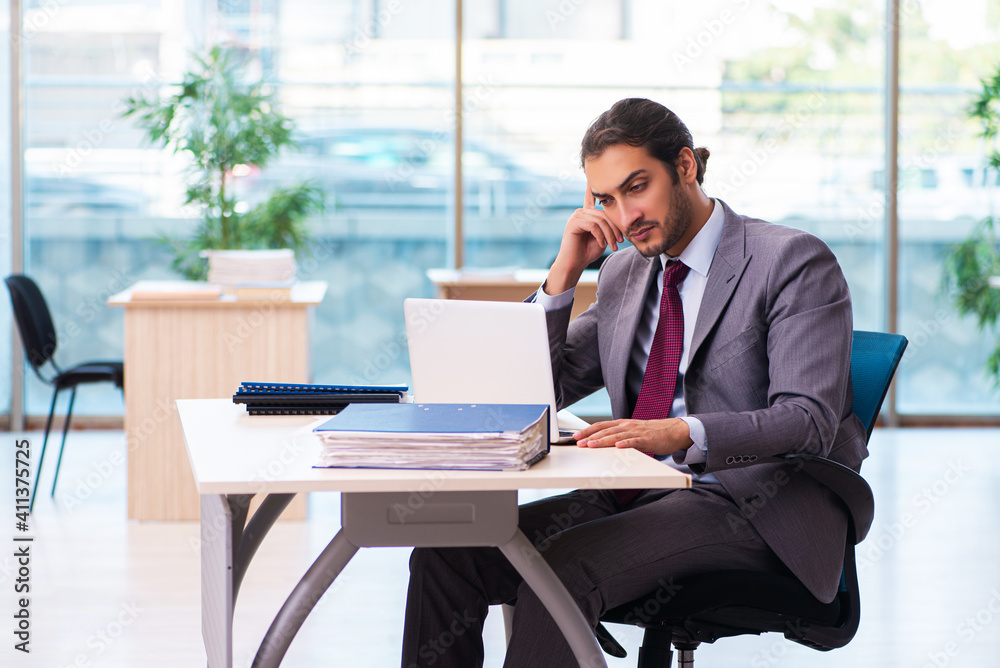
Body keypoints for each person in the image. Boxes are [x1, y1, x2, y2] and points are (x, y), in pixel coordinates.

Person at [401, 98, 866, 668]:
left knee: (562, 565)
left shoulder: (789, 260)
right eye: (605, 199)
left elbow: (808, 421)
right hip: (637, 491)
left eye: (636, 187)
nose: (624, 215)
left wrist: (679, 432)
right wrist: (563, 276)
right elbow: (539, 389)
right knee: (448, 553)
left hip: (750, 503)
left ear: (686, 166)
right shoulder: (625, 271)